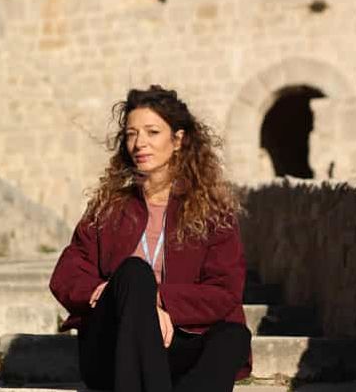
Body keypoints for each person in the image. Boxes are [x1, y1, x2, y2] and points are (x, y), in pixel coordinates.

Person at [49, 85, 252, 392]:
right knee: (134, 273)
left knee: (233, 336)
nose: (139, 143)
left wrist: (157, 300)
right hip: (113, 347)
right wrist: (123, 297)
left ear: (178, 140)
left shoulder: (213, 213)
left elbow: (224, 293)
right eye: (131, 134)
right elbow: (67, 274)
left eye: (152, 132)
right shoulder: (109, 206)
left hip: (178, 342)